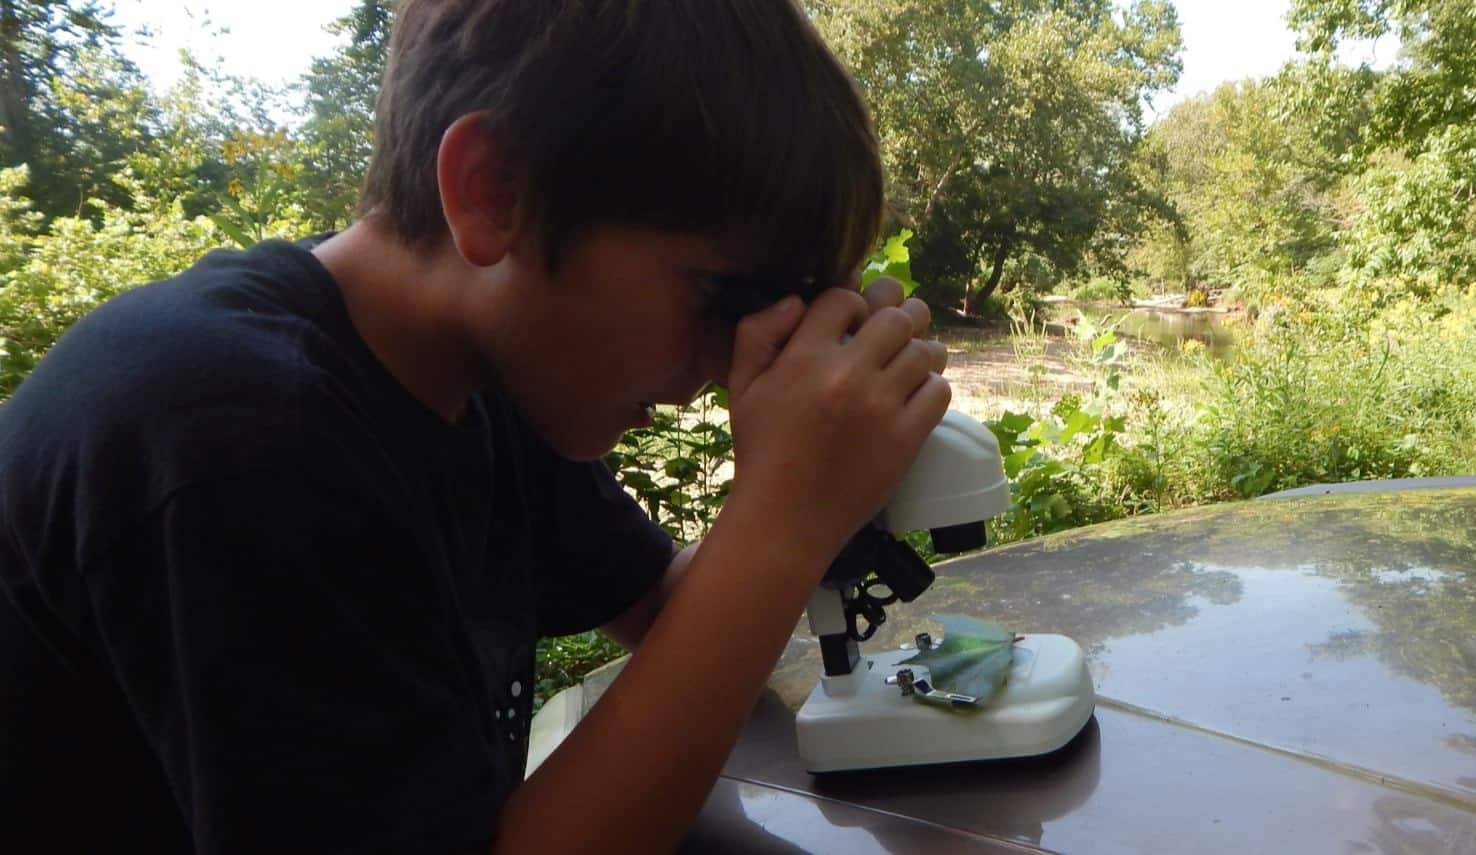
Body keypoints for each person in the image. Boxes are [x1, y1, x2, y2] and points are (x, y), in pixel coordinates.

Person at [0, 0, 949, 851]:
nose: (722, 366)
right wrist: (779, 518)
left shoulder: (479, 377)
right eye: (721, 297)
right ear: (494, 192)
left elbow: (673, 612)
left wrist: (816, 484)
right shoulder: (229, 430)